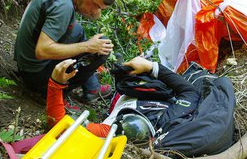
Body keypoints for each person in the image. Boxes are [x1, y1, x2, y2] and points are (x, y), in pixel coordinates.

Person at [14, 0, 117, 101]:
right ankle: (54, 96)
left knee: (77, 30)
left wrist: (95, 10)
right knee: (103, 48)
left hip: (25, 63)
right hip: (34, 76)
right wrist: (87, 46)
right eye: (95, 5)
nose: (96, 11)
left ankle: (92, 87)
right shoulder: (64, 7)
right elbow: (42, 50)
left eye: (100, 8)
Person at [46, 57, 200, 139]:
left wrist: (55, 84)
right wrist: (151, 67)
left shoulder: (111, 130)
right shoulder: (168, 118)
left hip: (130, 98)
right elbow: (190, 93)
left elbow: (61, 128)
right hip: (153, 90)